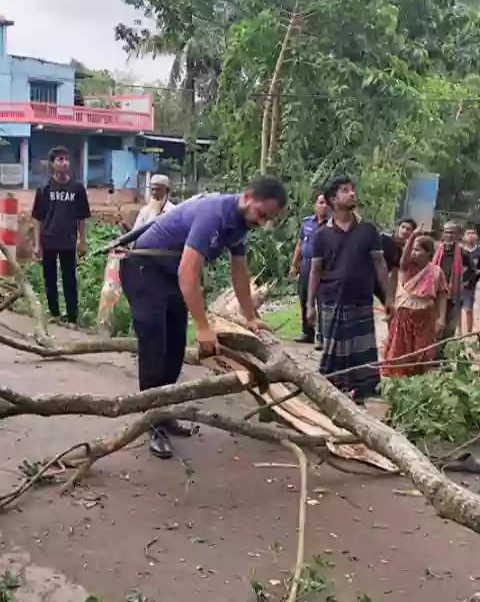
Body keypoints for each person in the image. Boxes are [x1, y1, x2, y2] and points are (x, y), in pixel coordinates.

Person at [122, 178, 286, 459]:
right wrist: (202, 326)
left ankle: (164, 413)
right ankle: (151, 423)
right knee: (155, 348)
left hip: (169, 276)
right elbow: (189, 270)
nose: (262, 222)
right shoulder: (214, 212)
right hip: (144, 269)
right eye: (262, 214)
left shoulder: (241, 225)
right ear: (247, 197)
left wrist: (250, 317)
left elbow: (239, 272)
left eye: (268, 218)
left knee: (174, 349)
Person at [308, 175, 391, 403]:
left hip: (360, 300)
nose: (352, 193)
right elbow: (315, 272)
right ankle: (329, 392)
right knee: (333, 349)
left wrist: (389, 297)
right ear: (333, 199)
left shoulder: (368, 231)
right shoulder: (321, 236)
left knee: (360, 350)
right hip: (330, 300)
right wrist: (309, 305)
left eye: (352, 190)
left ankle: (359, 395)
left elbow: (380, 266)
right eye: (346, 190)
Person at [31, 146, 90, 326]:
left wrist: (82, 241)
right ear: (52, 164)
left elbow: (81, 217)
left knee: (69, 278)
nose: (64, 163)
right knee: (50, 278)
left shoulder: (77, 188)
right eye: (60, 160)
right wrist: (36, 244)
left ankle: (72, 316)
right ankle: (54, 313)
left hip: (68, 240)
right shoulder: (44, 188)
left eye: (66, 159)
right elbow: (37, 218)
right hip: (48, 239)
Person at [382, 231, 447, 378]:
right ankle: (398, 379)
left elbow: (442, 296)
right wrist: (412, 237)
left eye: (417, 250)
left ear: (429, 254)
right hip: (404, 316)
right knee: (400, 348)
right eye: (411, 249)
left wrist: (441, 318)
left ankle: (419, 380)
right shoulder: (407, 268)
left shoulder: (437, 272)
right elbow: (403, 259)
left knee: (422, 350)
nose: (413, 253)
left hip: (425, 317)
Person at [289, 192, 328, 346]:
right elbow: (300, 245)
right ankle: (308, 332)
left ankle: (322, 335)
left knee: (322, 300)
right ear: (315, 205)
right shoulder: (307, 223)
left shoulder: (331, 224)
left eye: (326, 202)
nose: (323, 206)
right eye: (321, 202)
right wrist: (294, 265)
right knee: (304, 297)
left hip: (324, 267)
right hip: (306, 264)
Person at [435, 220, 473, 347]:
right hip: (435, 294)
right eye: (446, 232)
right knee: (434, 326)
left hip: (453, 296)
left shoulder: (464, 253)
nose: (449, 235)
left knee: (448, 329)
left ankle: (443, 360)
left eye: (452, 233)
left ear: (457, 235)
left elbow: (473, 271)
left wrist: (463, 282)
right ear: (442, 234)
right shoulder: (434, 250)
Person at [461, 225, 480, 334]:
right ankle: (458, 332)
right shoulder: (460, 251)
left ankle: (468, 333)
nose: (471, 236)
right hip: (458, 284)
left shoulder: (479, 251)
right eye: (468, 233)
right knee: (456, 310)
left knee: (468, 309)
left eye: (473, 233)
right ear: (463, 237)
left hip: (471, 286)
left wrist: (473, 274)